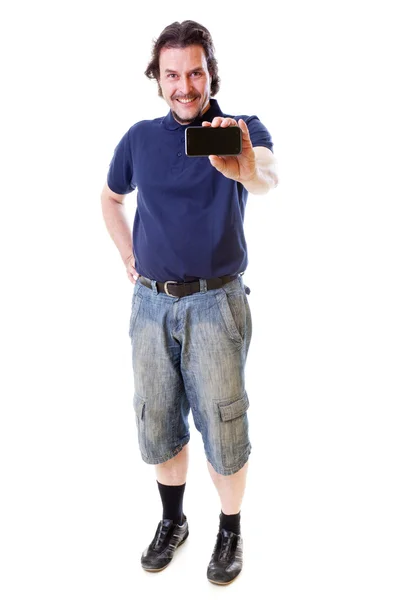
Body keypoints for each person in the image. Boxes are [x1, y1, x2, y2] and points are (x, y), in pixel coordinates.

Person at [101, 20, 278, 585]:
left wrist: (240, 164)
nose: (185, 85)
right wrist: (129, 257)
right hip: (150, 307)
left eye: (195, 72)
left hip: (215, 307)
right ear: (158, 79)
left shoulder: (241, 129)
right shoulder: (139, 139)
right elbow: (109, 198)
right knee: (157, 422)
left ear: (210, 74)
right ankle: (173, 521)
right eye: (172, 74)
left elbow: (267, 178)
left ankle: (230, 531)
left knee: (224, 426)